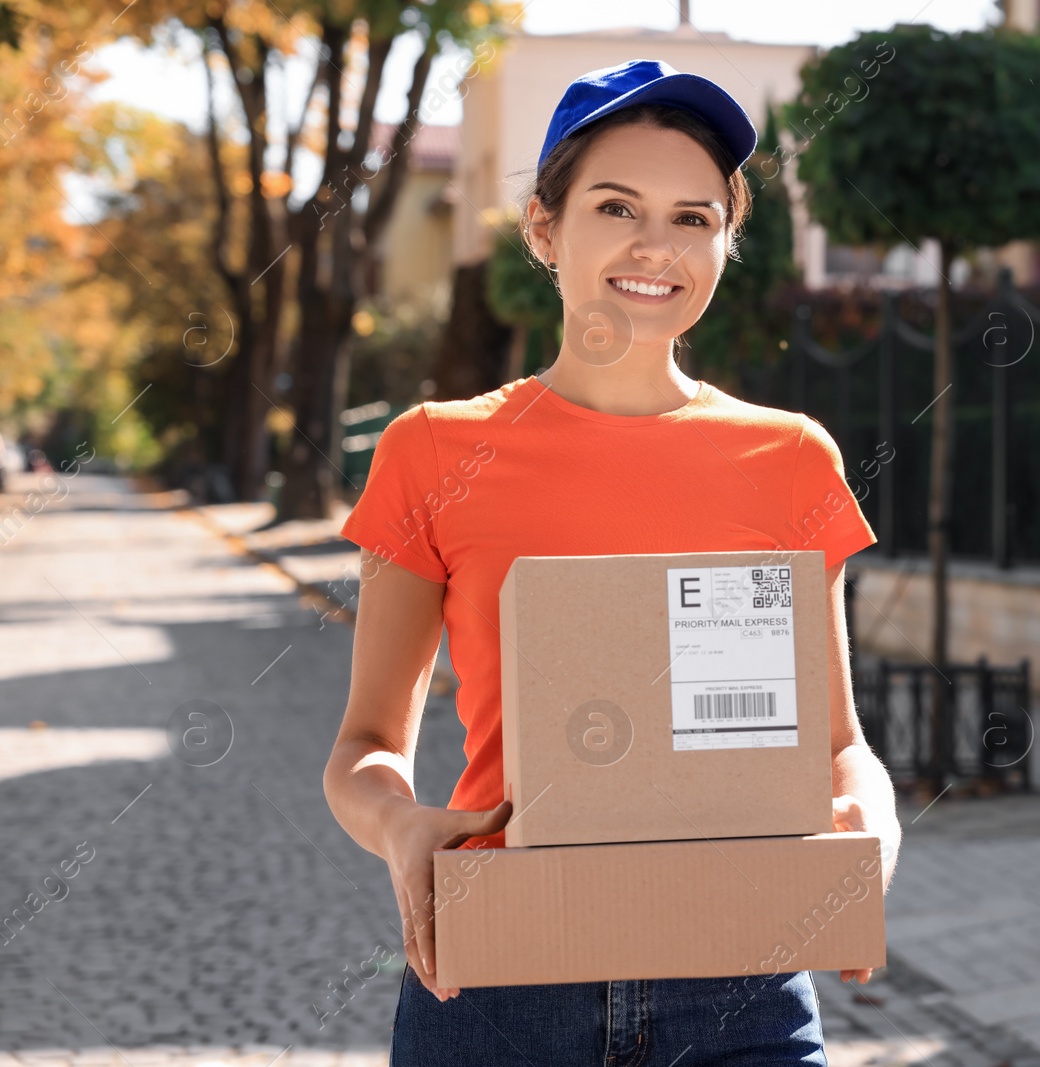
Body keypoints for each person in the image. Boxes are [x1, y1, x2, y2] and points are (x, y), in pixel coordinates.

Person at [322, 59, 903, 1065]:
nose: (655, 245)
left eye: (693, 216)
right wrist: (401, 823)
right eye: (616, 206)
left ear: (726, 240)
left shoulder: (792, 458)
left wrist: (876, 815)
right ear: (543, 228)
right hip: (503, 974)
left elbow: (838, 742)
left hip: (743, 975)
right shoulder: (431, 452)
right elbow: (364, 746)